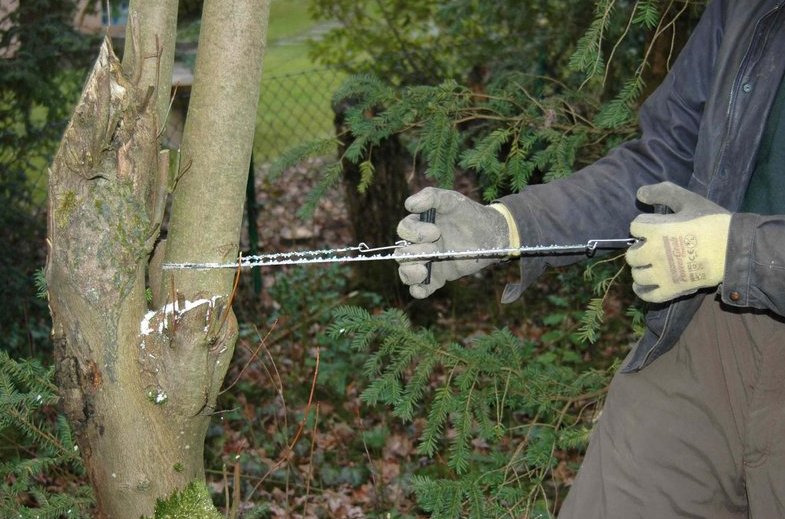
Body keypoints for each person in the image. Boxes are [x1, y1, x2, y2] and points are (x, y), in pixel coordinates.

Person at [395, 1, 785, 517]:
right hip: (711, 321)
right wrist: (506, 227)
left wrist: (739, 250)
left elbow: (733, 247)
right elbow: (663, 160)